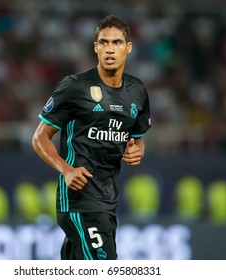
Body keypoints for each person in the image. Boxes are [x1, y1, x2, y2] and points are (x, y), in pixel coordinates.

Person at [32, 15, 151, 260]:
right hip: (79, 200)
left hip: (108, 200)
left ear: (128, 47)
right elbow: (39, 137)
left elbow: (137, 139)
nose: (110, 49)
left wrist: (138, 149)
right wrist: (66, 169)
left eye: (117, 42)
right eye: (104, 42)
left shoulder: (137, 91)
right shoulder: (74, 86)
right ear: (95, 47)